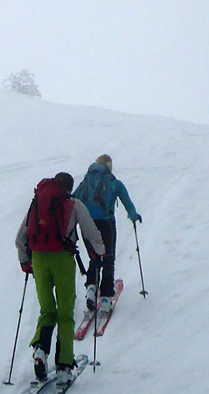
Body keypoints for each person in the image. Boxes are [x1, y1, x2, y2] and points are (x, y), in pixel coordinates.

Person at [15, 171, 104, 381]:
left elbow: (21, 238)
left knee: (47, 310)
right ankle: (63, 365)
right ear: (69, 188)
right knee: (65, 312)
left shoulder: (37, 203)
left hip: (39, 260)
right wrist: (100, 253)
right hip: (62, 259)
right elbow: (91, 231)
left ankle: (40, 351)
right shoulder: (73, 204)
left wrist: (25, 262)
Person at [72, 153, 141, 316]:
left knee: (94, 257)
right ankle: (105, 298)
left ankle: (91, 289)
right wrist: (133, 216)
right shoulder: (115, 183)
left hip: (87, 223)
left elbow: (73, 199)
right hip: (106, 223)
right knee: (108, 257)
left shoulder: (86, 182)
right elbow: (127, 203)